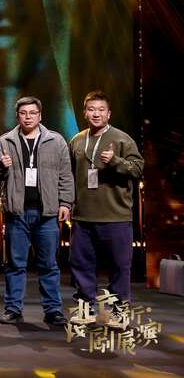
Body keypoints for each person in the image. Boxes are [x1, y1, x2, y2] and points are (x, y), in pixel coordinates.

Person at [0, 96, 73, 327]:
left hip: (46, 213)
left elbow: (65, 174)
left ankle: (53, 310)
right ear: (17, 116)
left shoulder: (55, 140)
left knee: (49, 265)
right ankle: (13, 309)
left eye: (32, 113)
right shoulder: (5, 140)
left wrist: (66, 203)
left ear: (40, 115)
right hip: (17, 213)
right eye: (23, 113)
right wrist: (1, 165)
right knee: (15, 265)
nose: (28, 117)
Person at [68, 90, 144, 326]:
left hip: (115, 215)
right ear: (84, 113)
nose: (96, 114)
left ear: (109, 114)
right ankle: (85, 309)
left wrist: (115, 161)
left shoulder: (122, 139)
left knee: (119, 267)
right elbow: (69, 175)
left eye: (101, 110)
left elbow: (138, 169)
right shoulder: (77, 140)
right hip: (83, 216)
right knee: (81, 265)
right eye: (91, 109)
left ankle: (119, 312)